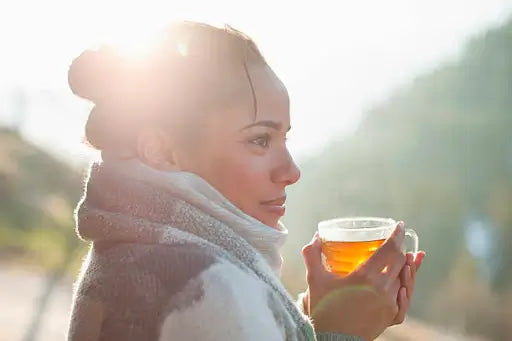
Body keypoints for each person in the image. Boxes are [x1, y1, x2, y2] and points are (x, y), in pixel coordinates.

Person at [66, 21, 425, 341]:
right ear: (161, 151)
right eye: (260, 140)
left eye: (285, 137)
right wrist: (343, 334)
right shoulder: (208, 288)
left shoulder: (135, 254)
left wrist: (305, 317)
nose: (292, 171)